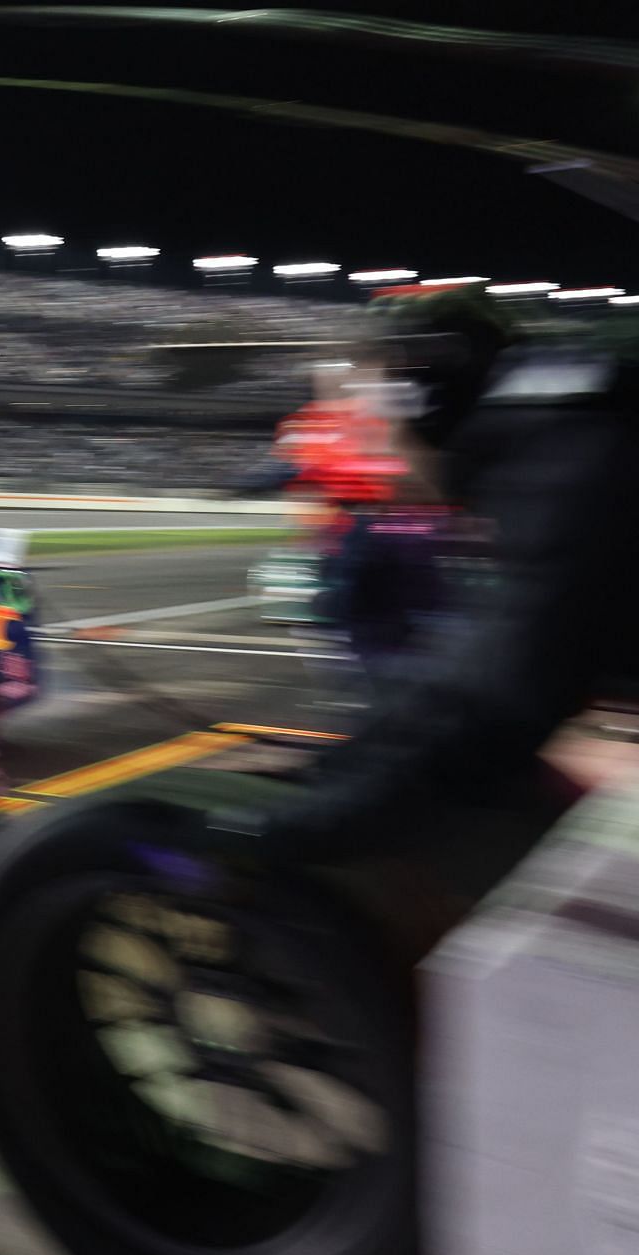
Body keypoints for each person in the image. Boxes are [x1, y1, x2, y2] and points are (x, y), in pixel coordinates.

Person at [220, 281, 639, 855]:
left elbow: (499, 693)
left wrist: (303, 825)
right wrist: (342, 761)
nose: (382, 446)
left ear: (426, 396)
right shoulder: (563, 425)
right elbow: (473, 671)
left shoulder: (573, 461)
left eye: (378, 409)